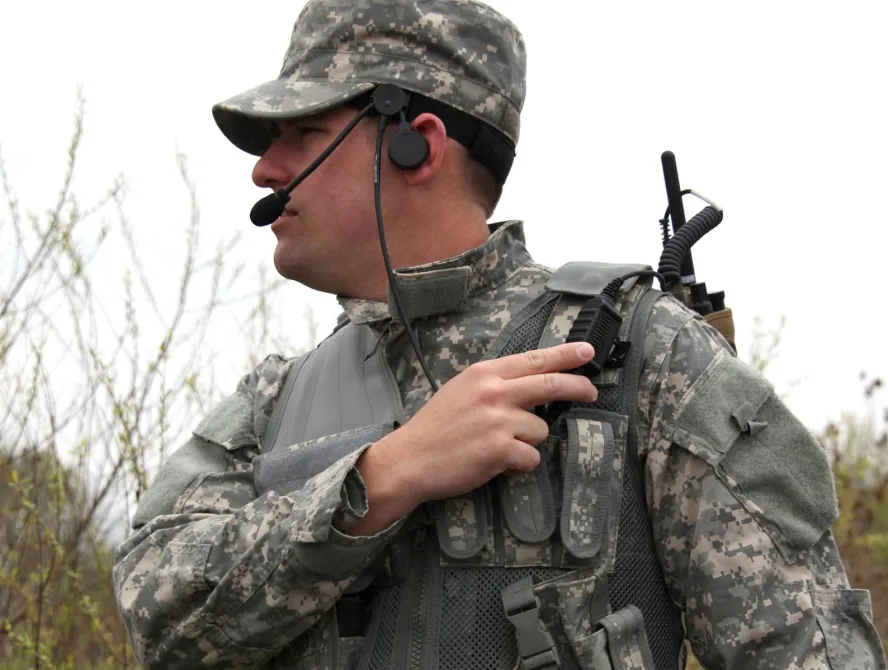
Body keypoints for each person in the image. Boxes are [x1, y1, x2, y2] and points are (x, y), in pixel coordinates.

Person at [112, 1, 886, 668]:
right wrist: (383, 477)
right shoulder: (273, 402)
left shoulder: (643, 359)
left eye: (304, 135)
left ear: (417, 144)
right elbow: (160, 618)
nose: (263, 170)